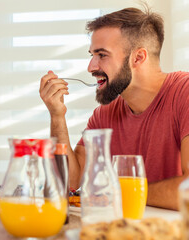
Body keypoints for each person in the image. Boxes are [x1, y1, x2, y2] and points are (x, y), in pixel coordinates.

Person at [39, 6, 189, 210]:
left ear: (138, 58)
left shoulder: (184, 93)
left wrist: (119, 191)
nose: (91, 67)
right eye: (92, 55)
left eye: (102, 55)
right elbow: (72, 184)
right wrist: (57, 116)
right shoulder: (104, 114)